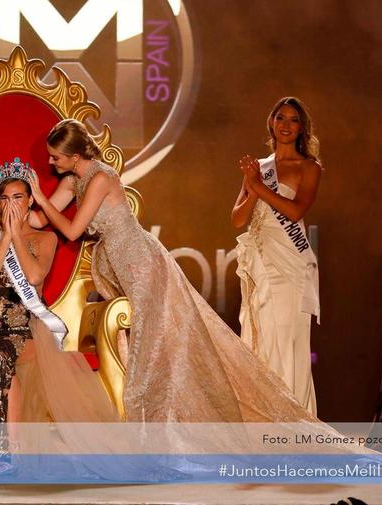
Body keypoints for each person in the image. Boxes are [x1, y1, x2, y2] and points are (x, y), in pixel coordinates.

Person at [27, 118, 327, 425]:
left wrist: (39, 199)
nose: (51, 162)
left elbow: (74, 231)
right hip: (119, 262)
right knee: (148, 341)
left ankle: (166, 423)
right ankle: (160, 421)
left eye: (56, 157)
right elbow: (39, 221)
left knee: (156, 343)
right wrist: (13, 210)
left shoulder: (101, 178)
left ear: (75, 156)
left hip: (139, 260)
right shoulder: (71, 181)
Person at [0, 158, 126, 476]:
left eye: (18, 198)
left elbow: (35, 276)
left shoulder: (45, 239)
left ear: (30, 201)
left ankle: (12, 453)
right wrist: (5, 237)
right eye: (6, 198)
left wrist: (18, 236)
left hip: (29, 326)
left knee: (3, 355)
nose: (12, 205)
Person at [232, 97, 321, 415]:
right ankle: (262, 420)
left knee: (286, 341)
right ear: (271, 122)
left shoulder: (308, 168)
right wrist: (253, 186)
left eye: (293, 119)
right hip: (259, 261)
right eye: (280, 117)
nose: (285, 124)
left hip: (289, 264)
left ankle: (293, 421)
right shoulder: (259, 168)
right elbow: (238, 219)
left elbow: (296, 209)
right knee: (260, 339)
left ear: (301, 128)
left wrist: (258, 185)